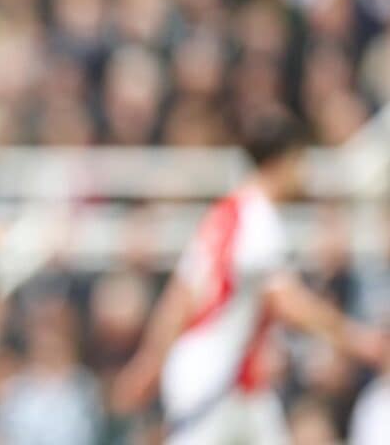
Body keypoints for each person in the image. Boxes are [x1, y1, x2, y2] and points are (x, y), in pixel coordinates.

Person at [111, 112, 386, 444]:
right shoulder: (260, 220)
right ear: (286, 160)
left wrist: (151, 360)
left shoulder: (225, 214)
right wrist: (357, 338)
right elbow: (287, 301)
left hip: (229, 378)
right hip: (215, 379)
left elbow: (180, 296)